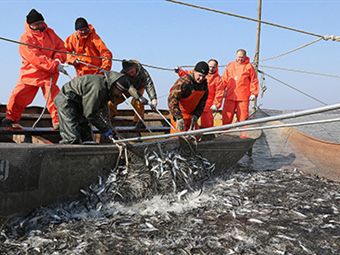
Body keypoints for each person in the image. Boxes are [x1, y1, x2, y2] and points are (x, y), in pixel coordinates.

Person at [1, 9, 67, 129]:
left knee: (54, 98)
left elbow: (61, 48)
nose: (40, 26)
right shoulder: (26, 38)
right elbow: (34, 57)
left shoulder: (50, 33)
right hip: (32, 72)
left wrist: (58, 59)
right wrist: (53, 65)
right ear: (30, 25)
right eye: (36, 24)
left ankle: (58, 121)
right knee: (18, 95)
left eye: (41, 23)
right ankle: (10, 118)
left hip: (49, 74)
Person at [54, 71, 138, 144]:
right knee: (72, 139)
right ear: (114, 86)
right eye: (120, 92)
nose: (120, 95)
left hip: (80, 105)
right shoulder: (98, 88)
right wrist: (105, 129)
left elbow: (104, 111)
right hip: (67, 101)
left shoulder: (107, 90)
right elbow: (90, 114)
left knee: (88, 139)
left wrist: (110, 128)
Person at [107, 59, 157, 128]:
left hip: (139, 88)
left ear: (135, 67)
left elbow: (149, 84)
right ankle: (111, 115)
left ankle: (139, 121)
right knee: (111, 102)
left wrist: (153, 98)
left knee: (138, 103)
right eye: (128, 71)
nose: (130, 72)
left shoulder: (143, 73)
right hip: (127, 89)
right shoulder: (123, 74)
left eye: (131, 70)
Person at [174, 59, 223, 128]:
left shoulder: (218, 79)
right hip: (195, 101)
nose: (211, 69)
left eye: (213, 67)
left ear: (216, 67)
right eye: (210, 67)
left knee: (206, 122)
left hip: (208, 104)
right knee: (190, 121)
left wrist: (216, 104)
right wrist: (179, 71)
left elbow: (220, 92)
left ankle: (206, 135)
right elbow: (187, 75)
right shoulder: (198, 71)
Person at [168, 61, 209, 133]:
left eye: (203, 76)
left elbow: (202, 103)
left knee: (195, 137)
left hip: (191, 116)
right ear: (194, 71)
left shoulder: (204, 85)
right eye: (199, 75)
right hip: (179, 114)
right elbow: (172, 99)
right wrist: (178, 117)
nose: (201, 78)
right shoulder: (184, 82)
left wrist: (196, 115)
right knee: (178, 138)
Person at [220, 49, 259, 125]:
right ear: (236, 56)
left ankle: (243, 135)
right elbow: (224, 79)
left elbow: (254, 80)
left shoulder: (249, 67)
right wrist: (221, 91)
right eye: (239, 57)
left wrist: (253, 93)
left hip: (243, 97)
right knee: (226, 117)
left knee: (243, 119)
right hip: (230, 95)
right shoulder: (230, 65)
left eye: (242, 57)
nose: (240, 59)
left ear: (245, 57)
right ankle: (224, 134)